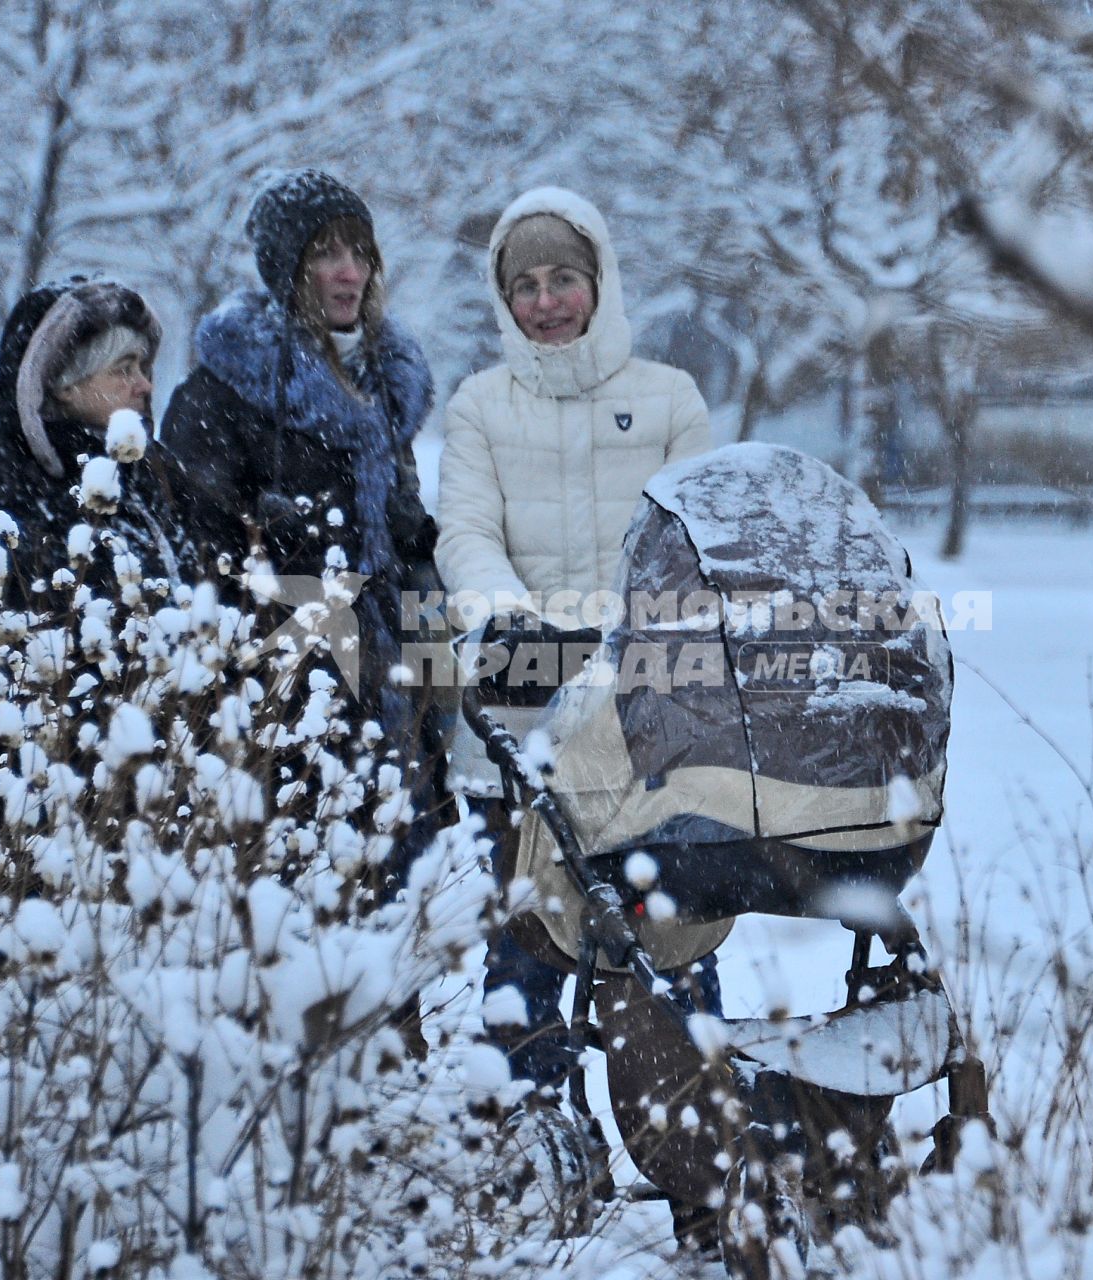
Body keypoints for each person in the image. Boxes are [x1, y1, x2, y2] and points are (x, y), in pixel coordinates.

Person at [435, 187, 718, 1099]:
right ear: (503, 299)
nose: (547, 301)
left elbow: (697, 535)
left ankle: (700, 1153)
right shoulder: (480, 408)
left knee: (669, 943)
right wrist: (504, 610)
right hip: (523, 715)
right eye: (527, 286)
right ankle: (531, 1136)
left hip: (646, 723)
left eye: (565, 279)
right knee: (529, 945)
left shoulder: (669, 400)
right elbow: (466, 532)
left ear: (599, 282)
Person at [161, 169, 449, 886]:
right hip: (283, 710)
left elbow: (405, 556)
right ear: (289, 269)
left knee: (396, 932)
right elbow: (197, 568)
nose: (349, 271)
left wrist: (438, 687)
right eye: (326, 253)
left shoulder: (385, 389)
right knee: (302, 940)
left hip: (393, 699)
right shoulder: (220, 396)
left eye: (359, 251)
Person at [0, 276, 226, 613]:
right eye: (124, 369)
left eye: (143, 367)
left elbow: (225, 578)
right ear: (62, 382)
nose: (145, 385)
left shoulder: (154, 470)